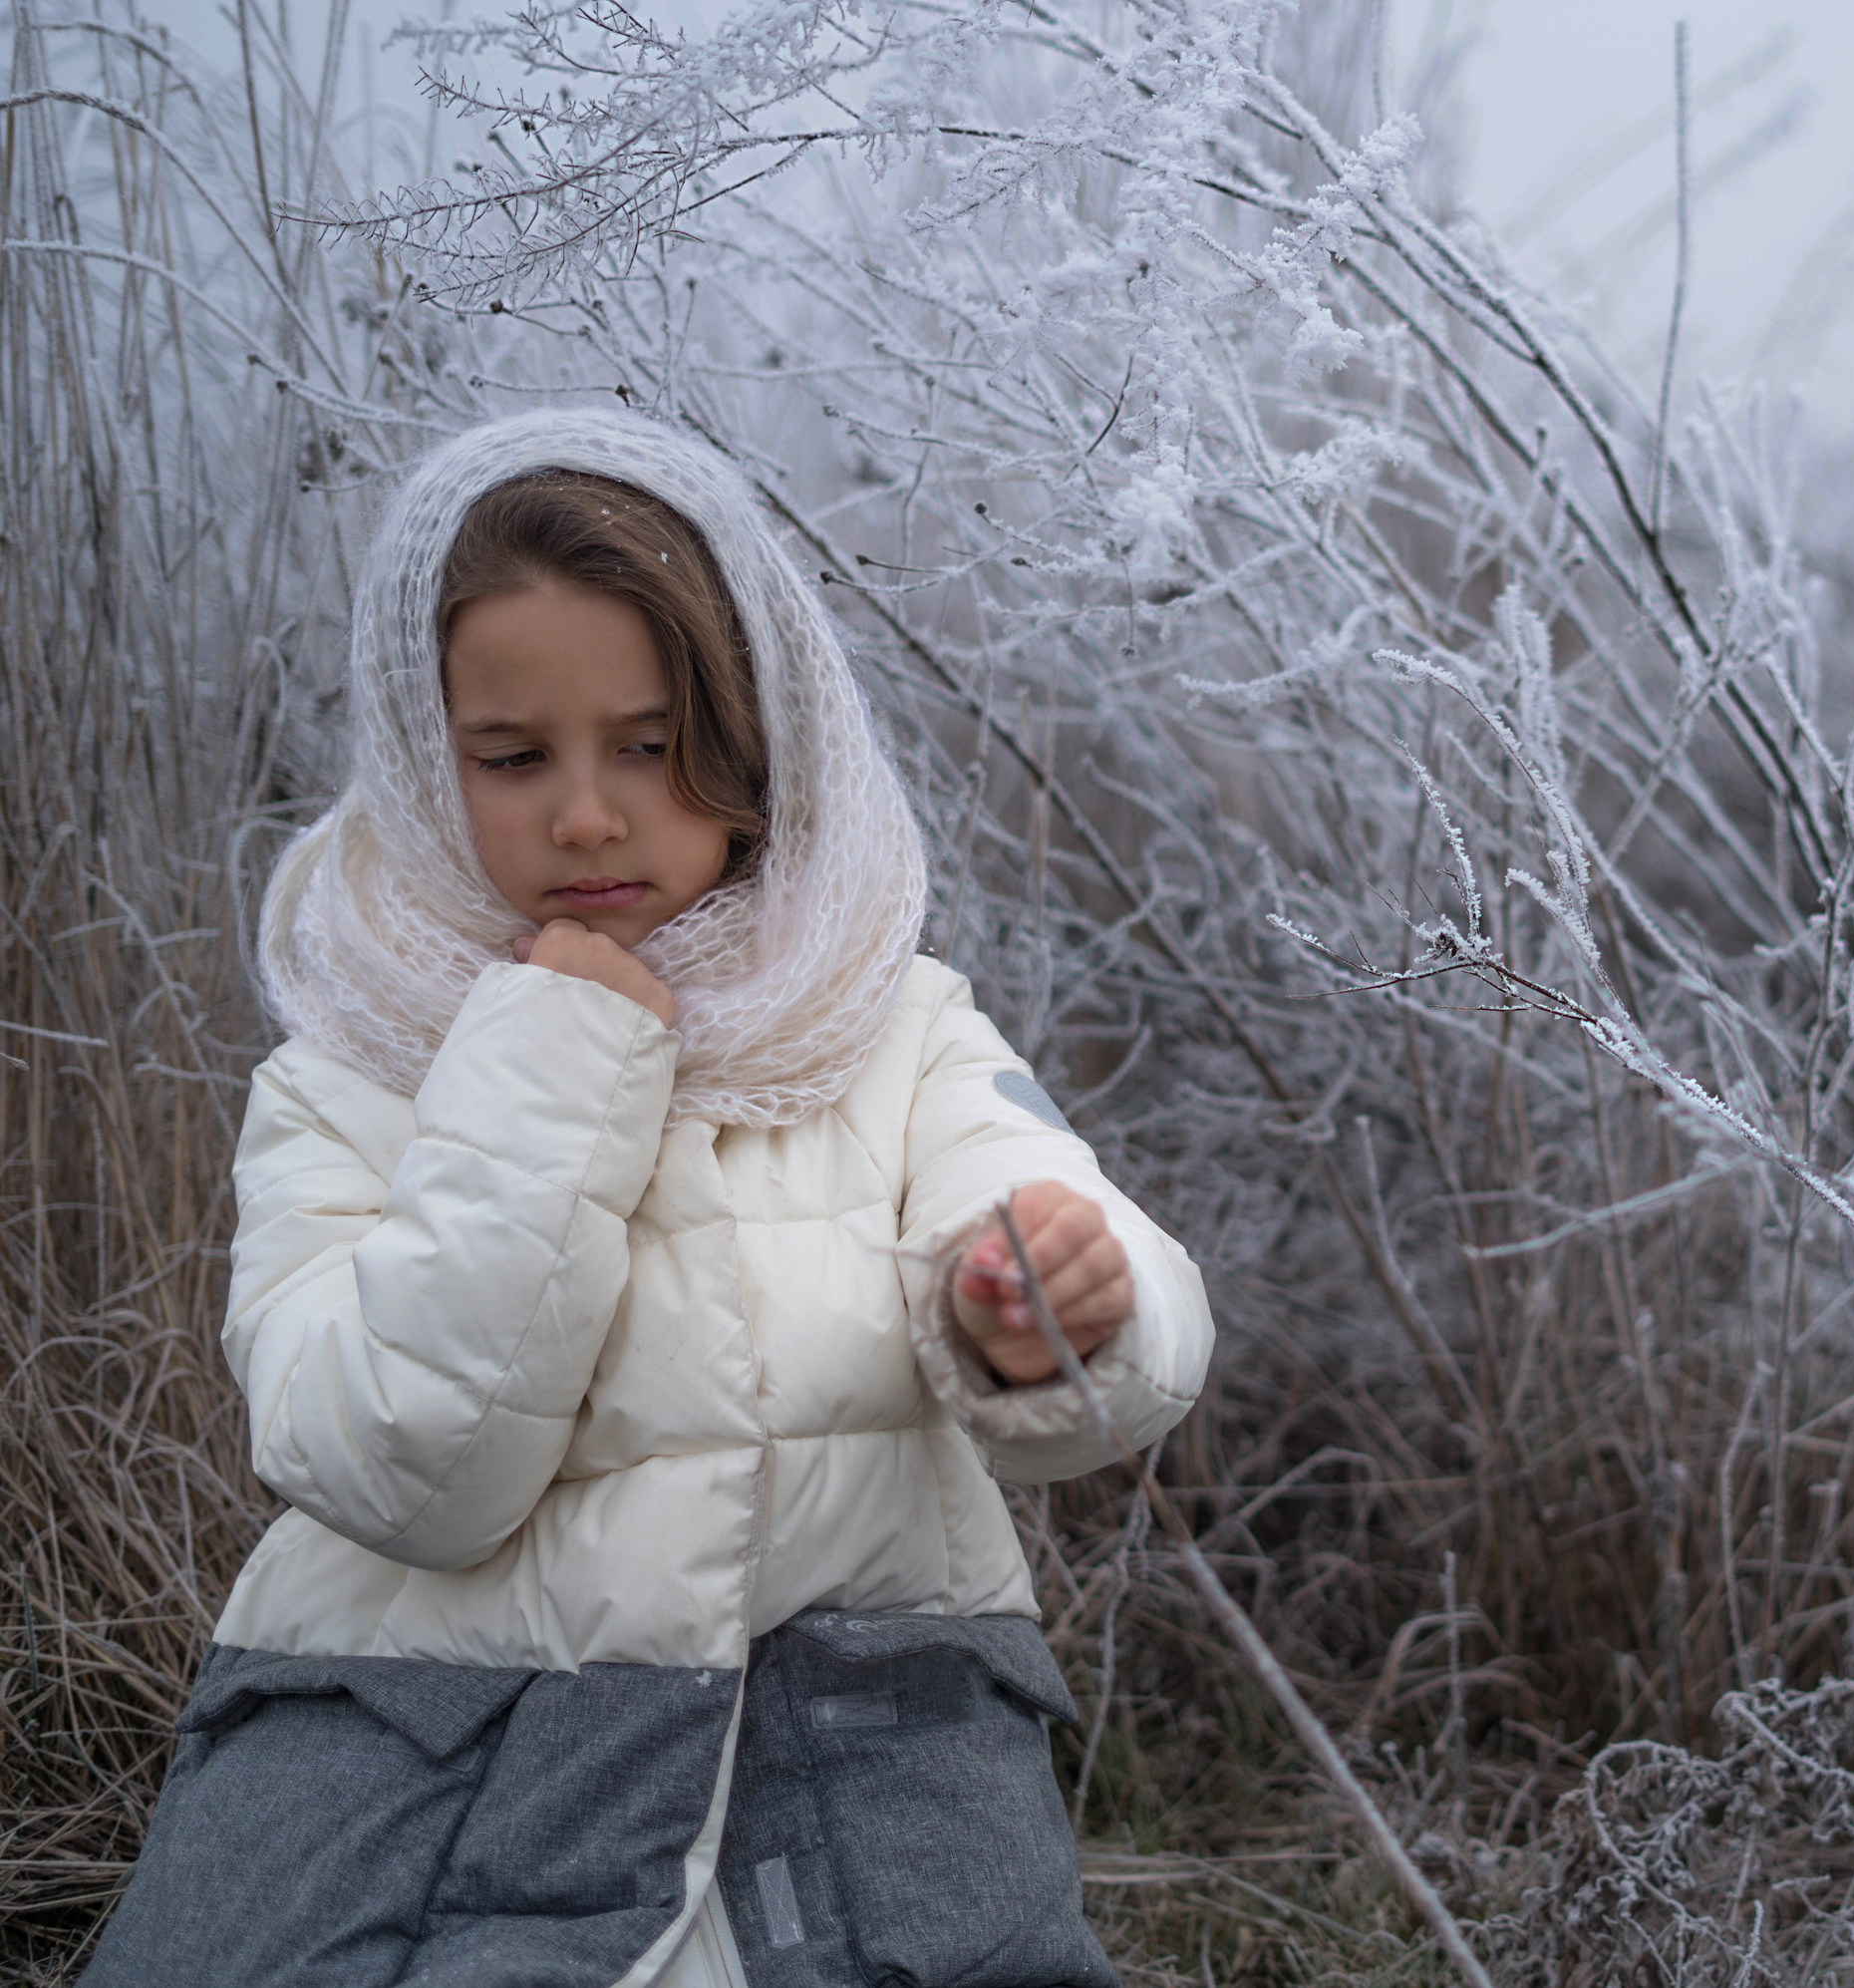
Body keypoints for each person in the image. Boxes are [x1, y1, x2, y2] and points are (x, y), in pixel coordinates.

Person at [81, 411, 1214, 1988]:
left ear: (758, 737)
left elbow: (1067, 1237)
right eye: (513, 756)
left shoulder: (888, 1024)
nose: (590, 816)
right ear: (426, 754)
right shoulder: (351, 1066)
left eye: (651, 744)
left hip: (855, 1758)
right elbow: (397, 1465)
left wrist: (1056, 1308)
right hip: (437, 1761)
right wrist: (550, 1050)